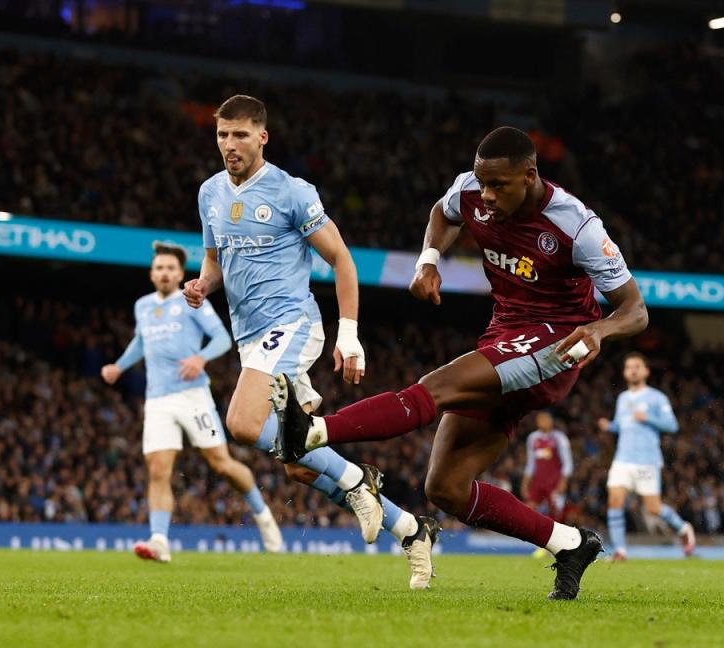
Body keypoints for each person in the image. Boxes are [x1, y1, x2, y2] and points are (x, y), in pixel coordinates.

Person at [272, 126, 649, 600]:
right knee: (445, 487)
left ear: (530, 176)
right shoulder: (470, 189)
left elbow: (636, 310)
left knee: (437, 387)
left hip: (555, 341)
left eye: (499, 186)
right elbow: (442, 211)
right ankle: (570, 543)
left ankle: (311, 432)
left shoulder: (577, 226)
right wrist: (429, 258)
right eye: (482, 183)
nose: (486, 196)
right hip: (504, 331)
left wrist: (599, 329)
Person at [183, 95, 438, 589]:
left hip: (293, 322)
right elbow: (213, 268)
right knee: (301, 467)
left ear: (262, 136)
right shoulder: (209, 193)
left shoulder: (292, 192)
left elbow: (342, 259)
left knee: (240, 422)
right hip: (250, 338)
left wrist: (349, 335)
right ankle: (411, 530)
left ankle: (356, 479)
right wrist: (200, 286)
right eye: (221, 134)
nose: (229, 144)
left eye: (239, 134)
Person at [102, 243, 282, 563]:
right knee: (158, 470)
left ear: (179, 274)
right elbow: (141, 341)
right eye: (159, 268)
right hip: (157, 398)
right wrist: (119, 365)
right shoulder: (143, 306)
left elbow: (222, 339)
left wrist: (200, 357)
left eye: (170, 268)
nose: (164, 273)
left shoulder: (191, 304)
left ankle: (262, 513)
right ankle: (159, 540)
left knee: (221, 464)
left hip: (192, 396)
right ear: (151, 273)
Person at [598, 352, 695, 560]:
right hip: (622, 458)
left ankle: (684, 528)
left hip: (646, 460)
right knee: (615, 501)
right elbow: (621, 424)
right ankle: (620, 551)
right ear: (625, 373)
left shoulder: (656, 397)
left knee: (653, 508)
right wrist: (610, 426)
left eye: (637, 366)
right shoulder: (622, 398)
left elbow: (672, 425)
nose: (632, 370)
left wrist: (648, 417)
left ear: (646, 371)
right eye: (628, 367)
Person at [522, 411, 573, 520]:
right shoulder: (532, 438)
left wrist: (563, 482)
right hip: (538, 481)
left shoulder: (560, 438)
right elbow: (531, 463)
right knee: (528, 510)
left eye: (545, 418)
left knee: (555, 514)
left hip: (554, 482)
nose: (543, 421)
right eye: (540, 419)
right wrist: (525, 483)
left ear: (551, 420)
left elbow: (568, 463)